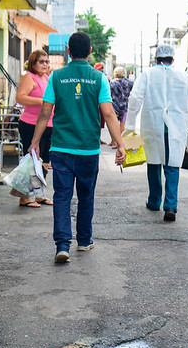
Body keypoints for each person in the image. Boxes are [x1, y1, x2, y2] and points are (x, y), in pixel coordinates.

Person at [30, 32, 126, 264]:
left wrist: (35, 142)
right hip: (88, 150)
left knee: (62, 197)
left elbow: (45, 111)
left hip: (61, 148)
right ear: (90, 51)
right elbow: (108, 114)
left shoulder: (56, 76)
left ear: (68, 51)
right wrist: (120, 144)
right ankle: (83, 240)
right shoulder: (99, 78)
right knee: (86, 196)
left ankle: (62, 246)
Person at [127, 44, 188, 222]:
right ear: (172, 59)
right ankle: (171, 206)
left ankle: (154, 201)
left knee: (153, 162)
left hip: (153, 124)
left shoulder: (147, 74)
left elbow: (135, 98)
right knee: (172, 165)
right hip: (175, 126)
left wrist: (130, 124)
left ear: (156, 59)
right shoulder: (184, 76)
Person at [15, 49, 54, 207]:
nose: (45, 64)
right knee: (31, 161)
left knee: (44, 161)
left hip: (48, 125)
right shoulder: (29, 77)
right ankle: (25, 196)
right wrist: (41, 101)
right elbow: (20, 98)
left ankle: (39, 194)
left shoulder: (46, 78)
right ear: (33, 63)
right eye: (41, 62)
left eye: (47, 62)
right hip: (31, 124)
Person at [110, 66, 134, 134]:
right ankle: (121, 138)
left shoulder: (112, 83)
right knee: (122, 125)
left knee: (114, 125)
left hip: (114, 107)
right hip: (125, 107)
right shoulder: (129, 83)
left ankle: (114, 139)